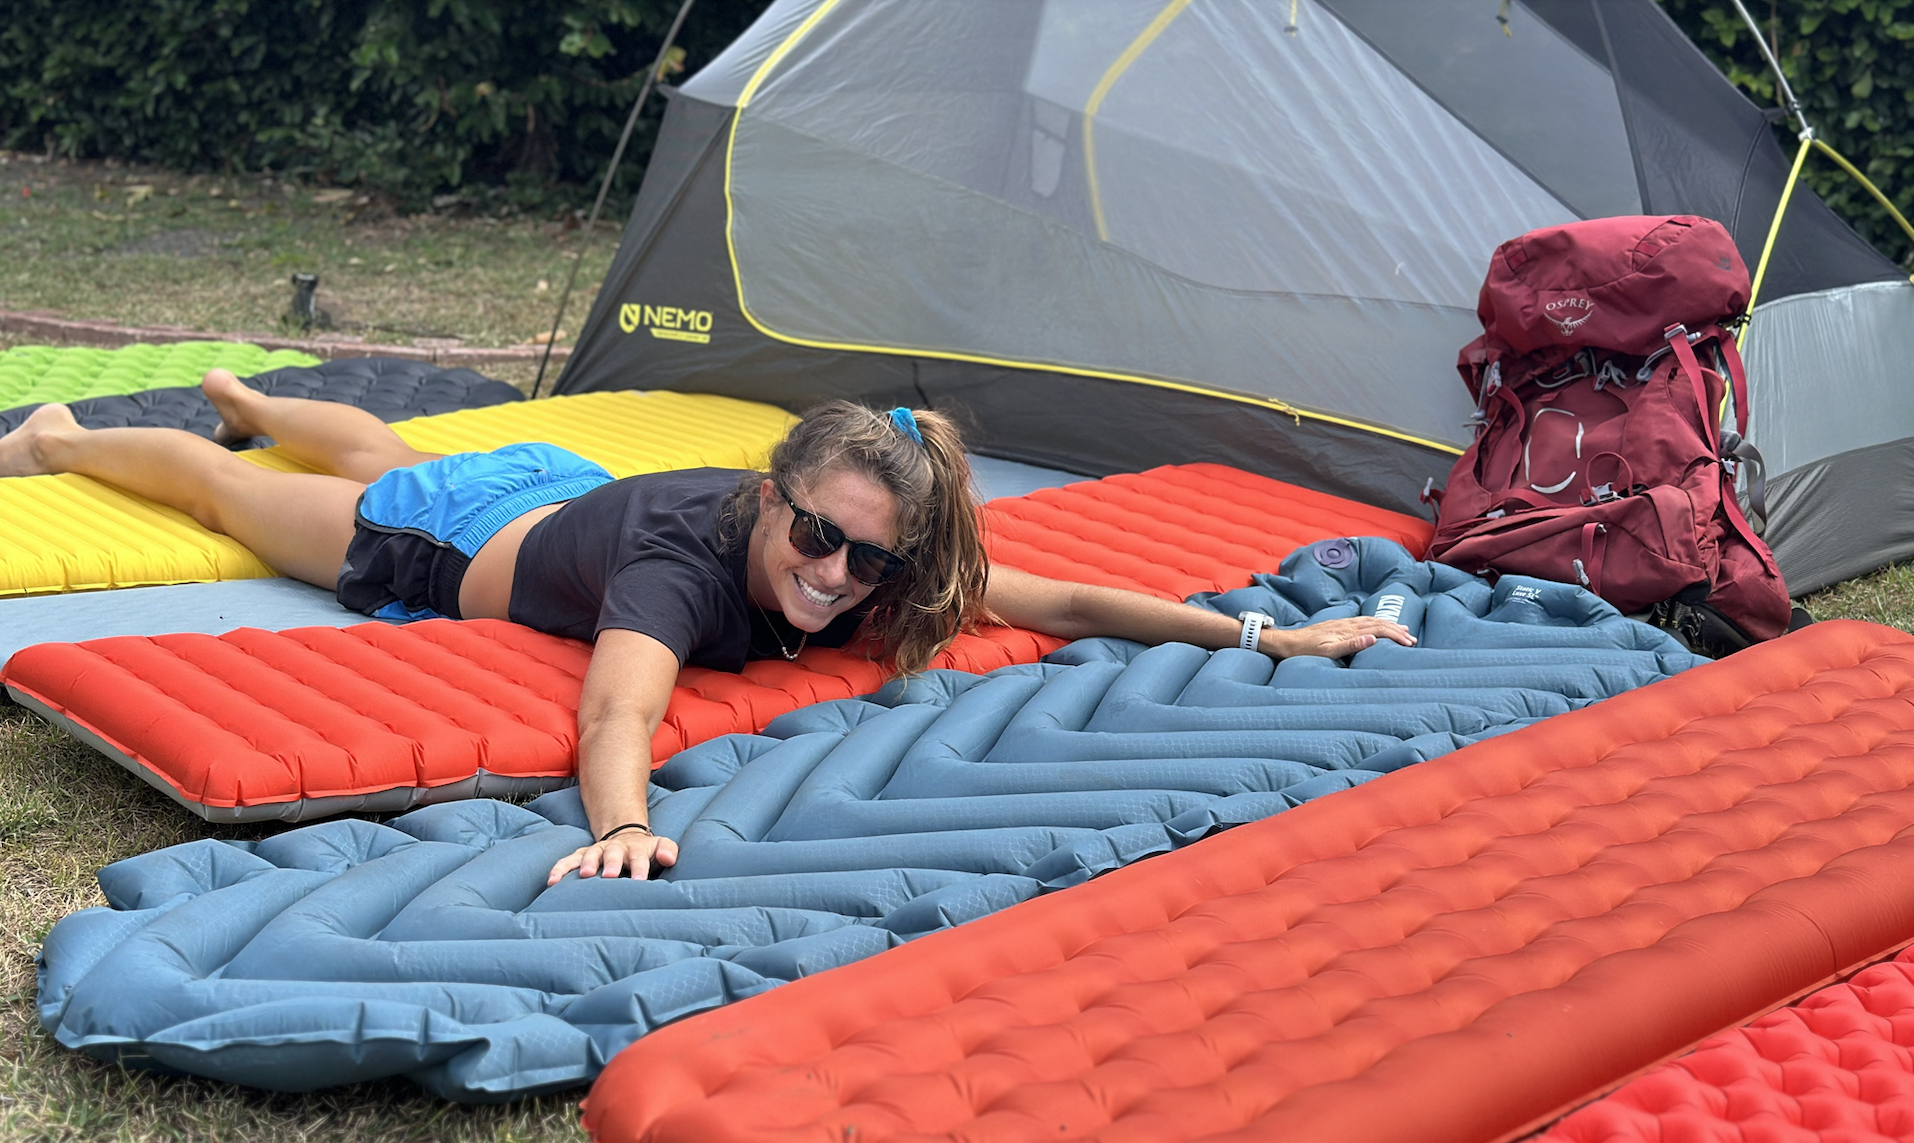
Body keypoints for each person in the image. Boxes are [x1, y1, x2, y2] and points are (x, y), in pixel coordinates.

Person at [0, 374, 1414, 883]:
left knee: (383, 435)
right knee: (247, 494)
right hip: (454, 542)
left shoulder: (868, 561)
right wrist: (618, 823)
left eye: (868, 557)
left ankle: (254, 390)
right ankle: (74, 434)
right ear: (770, 495)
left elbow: (1063, 598)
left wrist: (1259, 639)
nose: (833, 576)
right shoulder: (687, 574)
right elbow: (617, 711)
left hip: (566, 487)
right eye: (814, 535)